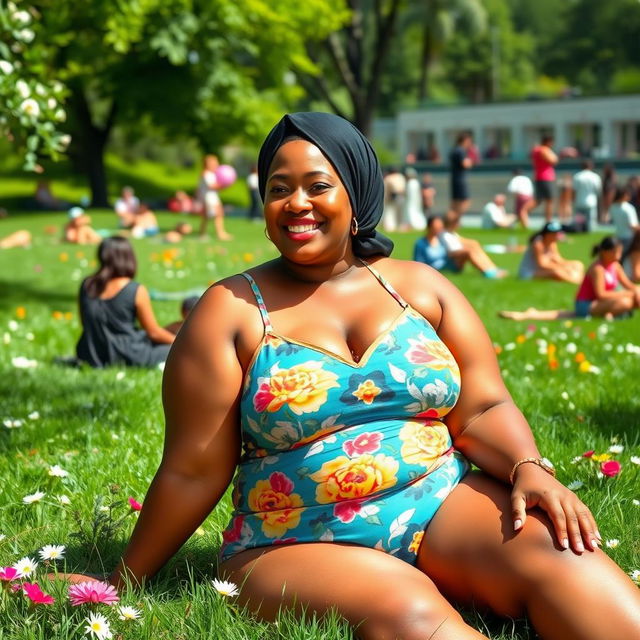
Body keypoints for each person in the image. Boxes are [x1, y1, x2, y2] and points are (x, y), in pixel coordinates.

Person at [67, 113, 640, 639]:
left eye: (317, 185)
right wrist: (123, 580)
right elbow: (192, 470)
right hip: (292, 535)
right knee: (409, 611)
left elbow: (483, 406)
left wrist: (527, 466)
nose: (296, 203)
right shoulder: (230, 311)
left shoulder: (421, 287)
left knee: (571, 568)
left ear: (357, 193)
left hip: (437, 499)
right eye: (278, 188)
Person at [76, 237, 175, 368]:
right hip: (127, 354)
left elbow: (84, 322)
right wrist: (179, 343)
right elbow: (153, 332)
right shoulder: (135, 289)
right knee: (174, 351)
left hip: (90, 353)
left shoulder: (87, 285)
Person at [501, 236, 640, 321]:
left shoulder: (615, 266)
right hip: (586, 305)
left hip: (601, 302)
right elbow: (602, 295)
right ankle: (610, 313)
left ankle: (610, 313)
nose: (619, 255)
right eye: (616, 251)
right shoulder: (598, 269)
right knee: (626, 302)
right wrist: (629, 294)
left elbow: (629, 285)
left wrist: (636, 291)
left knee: (632, 297)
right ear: (605, 252)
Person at [441, 212, 508, 278]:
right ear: (453, 223)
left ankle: (492, 269)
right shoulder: (444, 235)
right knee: (469, 251)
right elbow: (451, 252)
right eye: (457, 222)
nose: (459, 224)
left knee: (474, 244)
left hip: (455, 257)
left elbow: (461, 241)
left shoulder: (451, 233)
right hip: (452, 261)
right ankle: (488, 272)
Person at [518, 221, 584, 284]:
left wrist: (567, 266)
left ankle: (579, 279)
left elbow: (558, 260)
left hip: (545, 268)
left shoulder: (552, 243)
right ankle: (576, 282)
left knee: (578, 264)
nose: (558, 235)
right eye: (556, 233)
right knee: (557, 272)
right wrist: (562, 267)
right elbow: (542, 265)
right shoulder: (538, 244)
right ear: (548, 234)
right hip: (530, 273)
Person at [522, 135, 558, 223]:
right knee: (549, 200)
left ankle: (523, 211)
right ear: (548, 142)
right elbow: (553, 160)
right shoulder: (544, 150)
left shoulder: (536, 149)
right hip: (546, 178)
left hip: (539, 177)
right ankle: (548, 221)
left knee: (538, 200)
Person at [196, 154, 233, 240]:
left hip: (211, 197)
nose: (216, 165)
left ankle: (202, 234)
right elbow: (212, 186)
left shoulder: (210, 174)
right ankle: (220, 233)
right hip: (209, 198)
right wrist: (224, 185)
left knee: (207, 216)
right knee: (218, 215)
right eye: (214, 163)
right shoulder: (206, 173)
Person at [572, 161, 602, 231]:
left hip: (579, 201)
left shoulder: (577, 176)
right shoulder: (595, 176)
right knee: (590, 221)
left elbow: (574, 190)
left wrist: (573, 200)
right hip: (591, 201)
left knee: (579, 221)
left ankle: (579, 230)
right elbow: (598, 190)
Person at [449, 132, 473, 217]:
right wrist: (471, 161)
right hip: (460, 179)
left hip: (455, 178)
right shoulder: (461, 150)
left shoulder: (455, 150)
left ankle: (451, 219)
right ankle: (456, 219)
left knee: (455, 202)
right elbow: (465, 164)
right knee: (464, 201)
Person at [610, 185, 640, 251]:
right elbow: (632, 225)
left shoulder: (612, 207)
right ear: (623, 195)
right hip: (629, 237)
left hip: (618, 235)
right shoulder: (628, 208)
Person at [382, 167, 406, 232]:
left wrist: (386, 199)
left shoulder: (388, 178)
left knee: (390, 212)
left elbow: (386, 190)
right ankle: (400, 226)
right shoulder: (401, 177)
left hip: (393, 197)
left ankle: (390, 226)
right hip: (401, 197)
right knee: (399, 213)